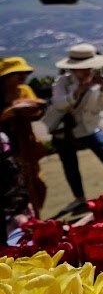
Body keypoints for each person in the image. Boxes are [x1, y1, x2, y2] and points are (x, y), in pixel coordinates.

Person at [42, 43, 103, 213]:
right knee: (70, 165)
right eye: (81, 68)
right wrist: (77, 92)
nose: (85, 71)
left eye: (88, 67)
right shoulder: (62, 82)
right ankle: (79, 198)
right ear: (72, 69)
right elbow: (58, 104)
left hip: (91, 128)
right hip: (66, 131)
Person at [0, 56, 47, 212]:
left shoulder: (25, 90)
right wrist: (12, 111)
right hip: (5, 145)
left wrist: (32, 108)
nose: (23, 76)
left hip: (25, 143)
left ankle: (35, 215)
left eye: (24, 73)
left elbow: (36, 112)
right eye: (17, 73)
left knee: (32, 180)